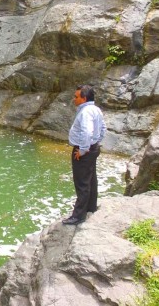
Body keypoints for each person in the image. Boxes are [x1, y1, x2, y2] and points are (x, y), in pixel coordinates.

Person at [62, 84, 106, 225]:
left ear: (84, 98)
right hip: (93, 148)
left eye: (76, 97)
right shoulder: (96, 109)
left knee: (81, 182)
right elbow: (103, 128)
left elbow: (87, 132)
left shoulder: (86, 112)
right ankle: (90, 207)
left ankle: (78, 216)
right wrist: (95, 143)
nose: (73, 99)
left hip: (84, 150)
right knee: (91, 179)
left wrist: (82, 150)